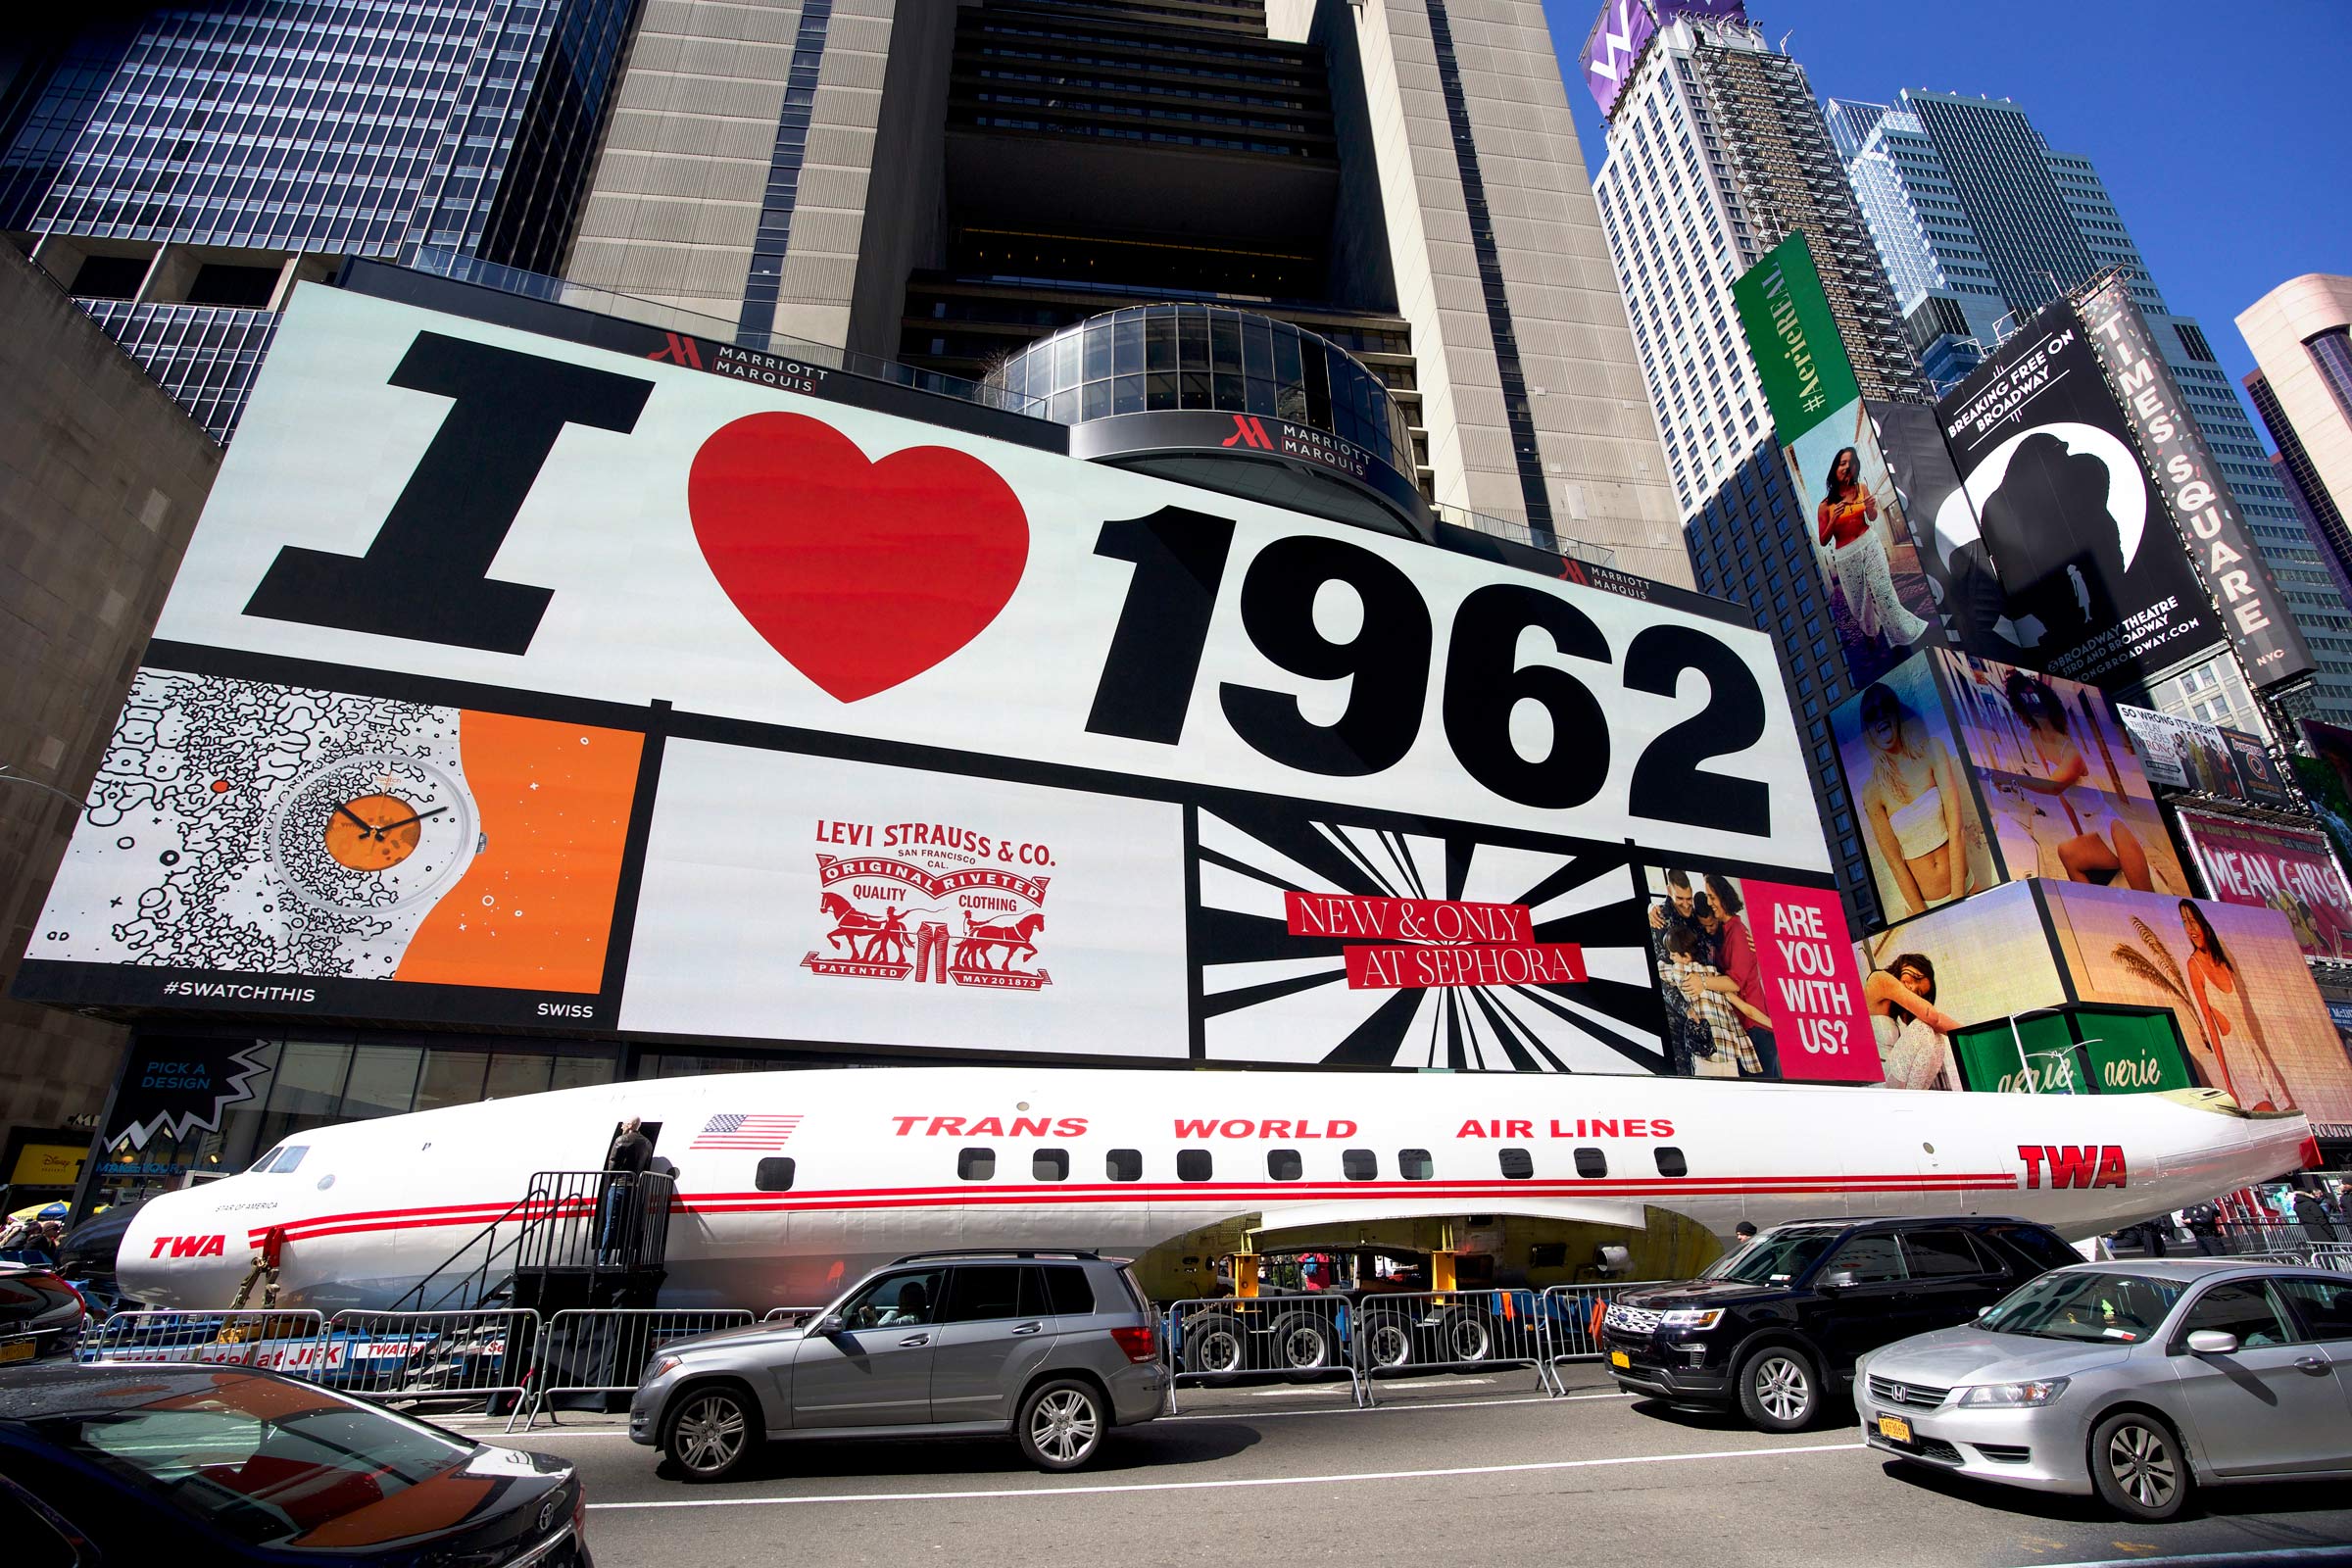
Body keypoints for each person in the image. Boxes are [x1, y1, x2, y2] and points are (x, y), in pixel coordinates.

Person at [1999, 670, 2159, 891]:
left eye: (2035, 697)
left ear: (2046, 701)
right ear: (2020, 705)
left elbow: (2054, 786)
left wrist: (2012, 779)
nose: (2032, 703)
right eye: (2025, 699)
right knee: (2067, 852)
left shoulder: (2070, 749)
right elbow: (2062, 795)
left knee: (2144, 892)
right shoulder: (2035, 737)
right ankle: (2097, 908)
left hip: (2110, 824)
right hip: (2089, 827)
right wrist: (2079, 833)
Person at [1975, 430, 2128, 647]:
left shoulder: (2078, 479)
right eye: (2058, 455)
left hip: (2084, 586)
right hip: (2040, 586)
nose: (2063, 460)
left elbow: (2102, 532)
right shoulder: (2003, 503)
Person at [1855, 682, 1973, 917]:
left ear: (1896, 713)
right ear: (1866, 729)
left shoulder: (1933, 751)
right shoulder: (1872, 792)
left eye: (1885, 707)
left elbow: (1956, 829)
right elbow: (1895, 864)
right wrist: (1923, 916)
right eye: (1871, 715)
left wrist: (1958, 901)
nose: (1879, 716)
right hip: (1921, 908)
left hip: (1965, 890)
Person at [2179, 900, 2288, 1112]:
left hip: (2253, 1048)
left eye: (2193, 921)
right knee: (2266, 1113)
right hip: (2235, 1055)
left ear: (2204, 923)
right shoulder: (2194, 966)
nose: (2190, 929)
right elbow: (2210, 1026)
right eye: (2184, 922)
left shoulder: (2224, 961)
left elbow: (2247, 1014)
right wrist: (2228, 1083)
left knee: (2287, 1114)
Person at [1815, 445, 1930, 647]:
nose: (1846, 468)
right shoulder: (1825, 505)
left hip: (1869, 543)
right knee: (1858, 602)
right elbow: (1824, 540)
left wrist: (1871, 508)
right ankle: (1871, 632)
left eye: (1851, 464)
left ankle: (1902, 631)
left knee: (1883, 589)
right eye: (1842, 463)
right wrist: (1834, 519)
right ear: (1835, 468)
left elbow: (1872, 517)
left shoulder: (1861, 489)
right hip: (1846, 554)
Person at [1677, 876, 1781, 1079]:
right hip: (1745, 1027)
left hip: (1755, 1027)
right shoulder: (1725, 934)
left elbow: (1735, 983)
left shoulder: (1737, 932)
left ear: (1723, 898)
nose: (1709, 902)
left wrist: (1703, 982)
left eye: (1711, 897)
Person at [1657, 921, 1769, 1077]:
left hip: (1706, 1053)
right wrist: (1776, 1026)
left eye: (1673, 954)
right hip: (1729, 1056)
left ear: (1686, 956)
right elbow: (1747, 1010)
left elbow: (1659, 969)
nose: (1670, 957)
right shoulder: (1716, 977)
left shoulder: (1679, 971)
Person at [1865, 954, 1961, 1091]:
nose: (1912, 988)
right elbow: (1934, 1018)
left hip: (1891, 1073)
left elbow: (1932, 1024)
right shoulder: (1879, 979)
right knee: (1923, 1027)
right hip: (1878, 1076)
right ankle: (1912, 1098)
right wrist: (1971, 1034)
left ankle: (1914, 1096)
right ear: (1905, 963)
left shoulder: (1894, 1005)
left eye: (1918, 992)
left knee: (1937, 1039)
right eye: (1916, 977)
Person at [599, 1116, 653, 1264]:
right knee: (628, 1224)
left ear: (629, 1125)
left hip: (619, 1185)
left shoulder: (621, 1140)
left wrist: (608, 1183)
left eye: (623, 1124)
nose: (622, 1126)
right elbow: (646, 1165)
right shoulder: (647, 1143)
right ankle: (622, 1260)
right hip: (634, 1187)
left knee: (611, 1224)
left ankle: (603, 1259)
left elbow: (613, 1163)